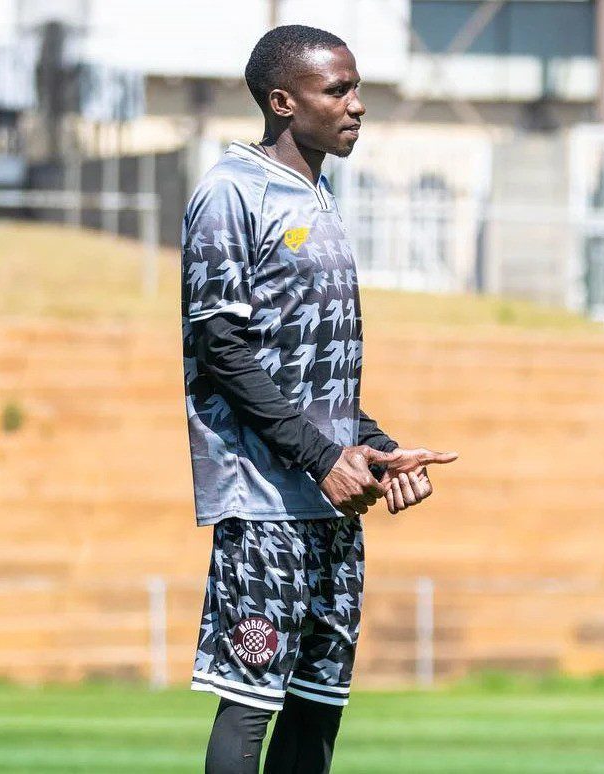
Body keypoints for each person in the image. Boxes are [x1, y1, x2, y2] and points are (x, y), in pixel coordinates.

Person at [181, 24, 458, 774]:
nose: (356, 104)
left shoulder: (318, 196)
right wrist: (320, 457)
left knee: (316, 708)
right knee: (249, 704)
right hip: (265, 504)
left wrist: (376, 450)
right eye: (337, 90)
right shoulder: (231, 192)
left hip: (329, 504)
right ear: (282, 102)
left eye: (355, 88)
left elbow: (311, 375)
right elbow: (222, 350)